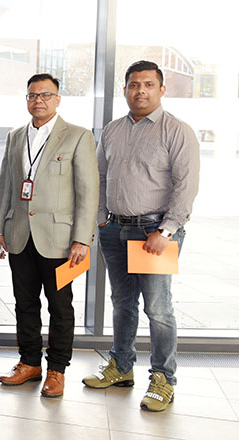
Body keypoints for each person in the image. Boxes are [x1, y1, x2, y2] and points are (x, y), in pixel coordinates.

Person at [83, 61, 199, 412]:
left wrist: (166, 230)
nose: (141, 91)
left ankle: (164, 378)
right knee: (122, 302)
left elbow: (186, 186)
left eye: (149, 84)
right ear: (125, 90)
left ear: (162, 89)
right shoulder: (113, 130)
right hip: (114, 228)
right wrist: (102, 219)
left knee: (159, 308)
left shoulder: (177, 131)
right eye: (134, 85)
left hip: (156, 232)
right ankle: (121, 366)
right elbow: (100, 178)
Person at [0, 73, 98, 398]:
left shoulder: (78, 136)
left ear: (58, 99)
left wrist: (82, 238)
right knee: (24, 303)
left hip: (61, 241)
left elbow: (88, 191)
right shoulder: (14, 136)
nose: (38, 100)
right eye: (32, 95)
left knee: (60, 306)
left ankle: (57, 370)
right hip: (19, 234)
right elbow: (6, 187)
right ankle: (29, 363)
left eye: (45, 95)